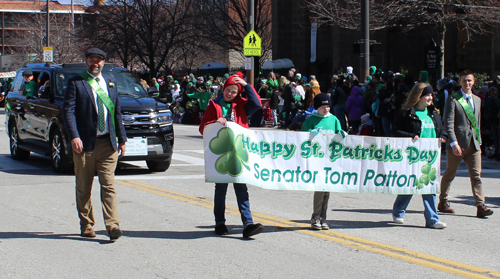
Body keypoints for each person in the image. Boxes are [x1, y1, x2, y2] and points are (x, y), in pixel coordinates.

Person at [63, 48, 127, 241]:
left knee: (109, 185)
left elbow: (117, 113)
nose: (95, 63)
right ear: (86, 61)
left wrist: (122, 139)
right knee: (84, 187)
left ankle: (112, 225)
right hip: (84, 145)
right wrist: (74, 136)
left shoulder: (110, 83)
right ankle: (87, 224)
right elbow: (69, 112)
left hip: (108, 144)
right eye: (92, 60)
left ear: (103, 63)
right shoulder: (76, 82)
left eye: (99, 60)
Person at [199, 72, 264, 238]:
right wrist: (214, 123)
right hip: (220, 154)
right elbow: (203, 127)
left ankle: (248, 223)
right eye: (228, 90)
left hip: (239, 152)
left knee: (241, 188)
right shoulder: (214, 105)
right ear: (223, 88)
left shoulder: (242, 104)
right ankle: (220, 223)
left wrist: (246, 85)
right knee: (221, 190)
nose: (230, 94)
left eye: (234, 91)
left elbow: (257, 103)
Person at [391, 83, 447, 229]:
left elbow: (442, 130)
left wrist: (442, 137)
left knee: (429, 187)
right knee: (410, 185)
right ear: (419, 96)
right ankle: (398, 211)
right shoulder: (406, 113)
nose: (430, 98)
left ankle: (432, 219)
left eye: (431, 95)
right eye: (427, 95)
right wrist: (411, 136)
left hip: (430, 158)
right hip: (412, 156)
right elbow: (395, 131)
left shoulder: (434, 114)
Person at [438, 70, 494, 218]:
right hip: (458, 144)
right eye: (464, 80)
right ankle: (443, 201)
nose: (467, 83)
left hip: (473, 144)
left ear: (473, 82)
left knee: (476, 176)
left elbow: (477, 122)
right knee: (450, 173)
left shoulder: (477, 100)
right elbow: (448, 123)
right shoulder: (453, 99)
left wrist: (479, 141)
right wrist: (454, 143)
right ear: (460, 82)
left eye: (469, 80)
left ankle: (480, 205)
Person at [301, 93, 345, 230]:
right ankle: (316, 217)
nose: (326, 109)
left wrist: (343, 134)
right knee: (320, 188)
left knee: (327, 189)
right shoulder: (311, 119)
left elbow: (339, 132)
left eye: (328, 106)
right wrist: (311, 133)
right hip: (316, 158)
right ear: (317, 107)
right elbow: (302, 135)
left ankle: (323, 217)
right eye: (323, 107)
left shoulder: (333, 119)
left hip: (330, 159)